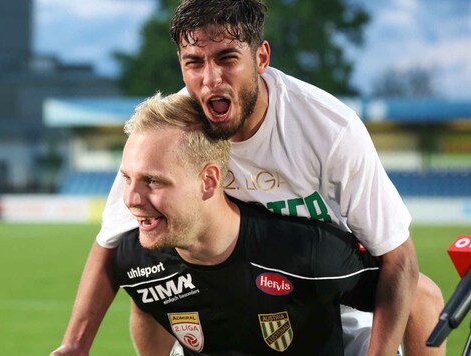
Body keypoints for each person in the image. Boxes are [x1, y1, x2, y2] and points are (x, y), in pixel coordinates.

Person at [52, 0, 443, 355]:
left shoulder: (327, 129)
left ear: (261, 57)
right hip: (224, 307)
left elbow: (400, 260)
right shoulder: (177, 130)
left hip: (330, 304)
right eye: (194, 62)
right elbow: (111, 244)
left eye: (226, 58)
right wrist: (75, 344)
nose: (210, 79)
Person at [114, 92, 384, 355]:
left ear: (208, 182)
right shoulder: (135, 256)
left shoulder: (306, 253)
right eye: (127, 178)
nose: (130, 199)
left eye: (153, 180)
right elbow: (145, 300)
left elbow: (417, 295)